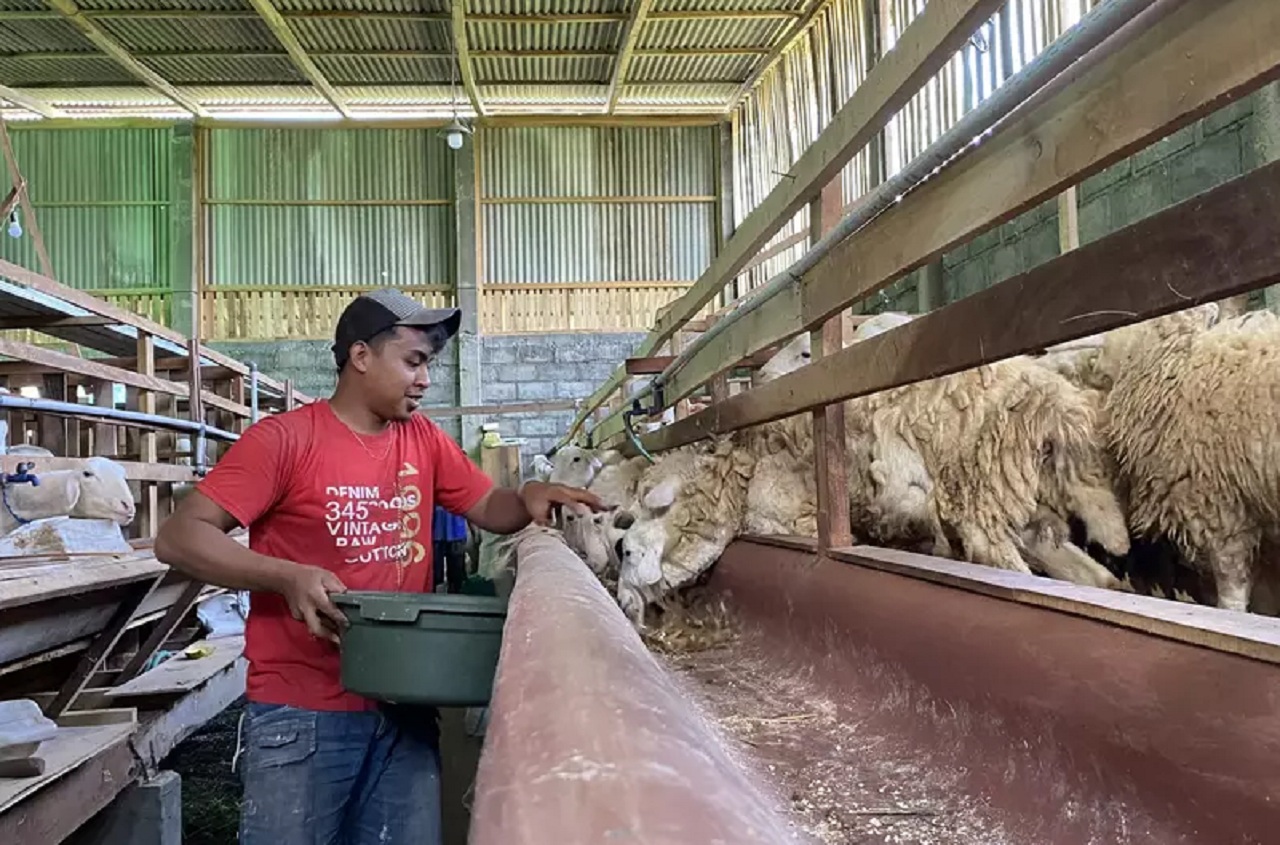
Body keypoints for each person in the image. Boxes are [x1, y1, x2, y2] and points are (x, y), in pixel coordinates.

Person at [154, 287, 604, 845]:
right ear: (361, 356)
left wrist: (531, 496)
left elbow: (488, 506)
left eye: (429, 365)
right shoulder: (285, 440)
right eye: (413, 362)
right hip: (305, 710)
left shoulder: (422, 439)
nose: (425, 380)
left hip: (405, 706)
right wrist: (284, 575)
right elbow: (179, 536)